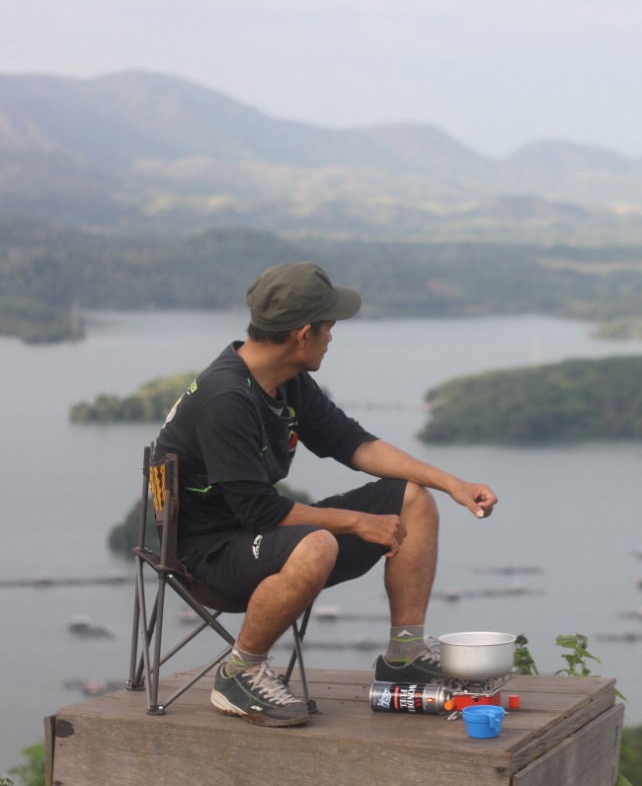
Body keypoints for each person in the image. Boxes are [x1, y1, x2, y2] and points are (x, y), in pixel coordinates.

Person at [152, 262, 498, 728]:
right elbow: (259, 512)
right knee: (318, 542)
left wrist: (451, 483)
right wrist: (357, 522)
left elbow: (353, 443)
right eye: (330, 327)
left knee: (412, 498)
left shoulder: (287, 381)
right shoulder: (226, 399)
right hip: (207, 556)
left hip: (257, 536)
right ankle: (239, 672)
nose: (333, 337)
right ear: (303, 334)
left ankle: (405, 654)